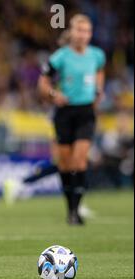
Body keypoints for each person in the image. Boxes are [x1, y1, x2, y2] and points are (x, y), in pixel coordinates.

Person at [38, 14, 106, 225]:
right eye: (79, 30)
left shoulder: (97, 55)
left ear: (90, 34)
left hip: (86, 111)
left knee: (79, 159)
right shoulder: (61, 56)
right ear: (72, 32)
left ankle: (76, 209)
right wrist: (52, 95)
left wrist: (98, 90)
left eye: (87, 31)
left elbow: (100, 72)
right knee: (65, 164)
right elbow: (43, 81)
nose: (83, 35)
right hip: (65, 112)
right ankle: (71, 209)